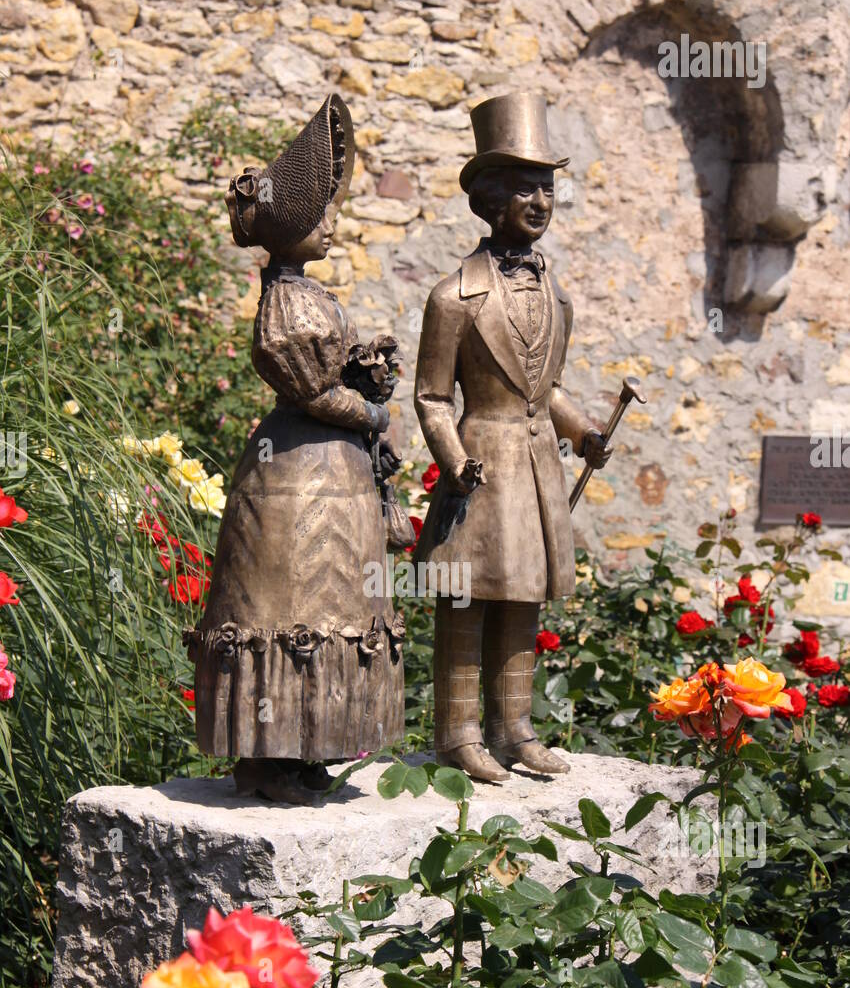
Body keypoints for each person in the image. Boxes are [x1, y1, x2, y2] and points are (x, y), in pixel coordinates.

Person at [186, 94, 404, 804]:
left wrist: (365, 366)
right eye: (322, 221)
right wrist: (368, 408)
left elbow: (325, 374)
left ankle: (308, 746)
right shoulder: (285, 301)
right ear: (292, 231)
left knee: (330, 597)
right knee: (284, 601)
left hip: (327, 471)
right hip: (298, 471)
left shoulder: (308, 293)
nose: (332, 230)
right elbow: (309, 391)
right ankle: (264, 757)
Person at [414, 91, 611, 784]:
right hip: (481, 467)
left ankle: (517, 729)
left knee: (522, 599)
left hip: (535, 472)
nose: (541, 202)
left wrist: (583, 433)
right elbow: (432, 397)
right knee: (468, 600)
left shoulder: (558, 297)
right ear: (489, 201)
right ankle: (459, 735)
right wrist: (455, 459)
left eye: (548, 188)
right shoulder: (452, 296)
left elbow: (548, 389)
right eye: (525, 188)